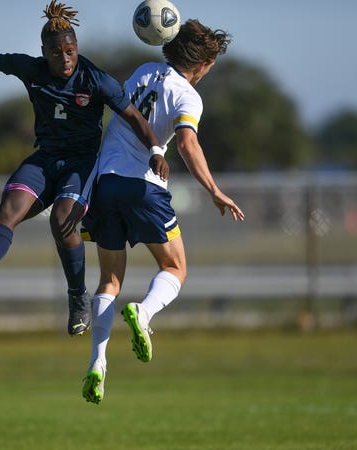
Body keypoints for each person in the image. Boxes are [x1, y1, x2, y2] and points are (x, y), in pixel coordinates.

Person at [0, 1, 164, 336]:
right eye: (56, 52)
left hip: (81, 164)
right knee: (7, 209)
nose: (64, 59)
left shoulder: (96, 79)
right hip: (45, 158)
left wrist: (155, 149)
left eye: (70, 51)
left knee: (61, 220)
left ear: (77, 48)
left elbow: (135, 118)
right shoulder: (31, 69)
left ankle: (77, 296)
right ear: (44, 52)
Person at [81, 19, 245, 404]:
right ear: (202, 63)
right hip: (143, 187)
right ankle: (145, 312)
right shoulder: (188, 95)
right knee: (174, 269)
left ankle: (97, 363)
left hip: (104, 184)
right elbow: (187, 144)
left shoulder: (142, 71)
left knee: (109, 280)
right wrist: (214, 190)